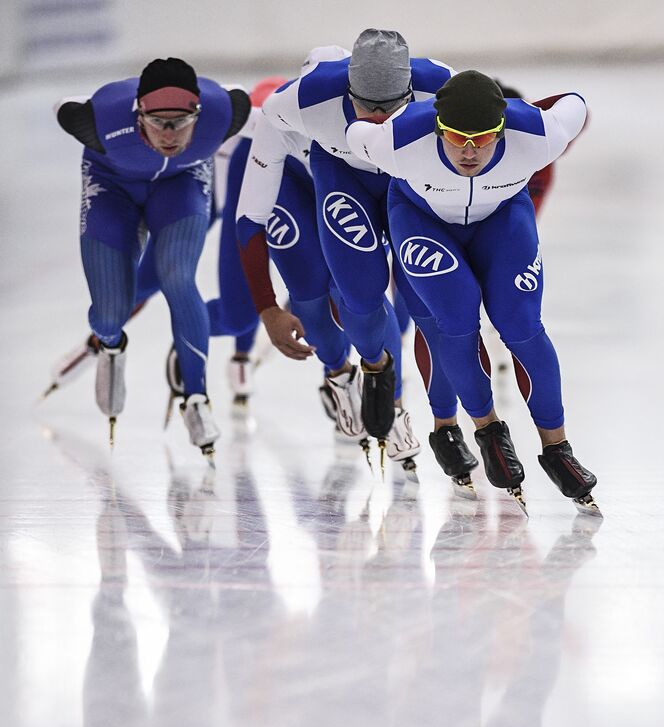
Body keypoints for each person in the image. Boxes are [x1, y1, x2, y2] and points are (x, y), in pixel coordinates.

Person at [347, 70, 599, 514]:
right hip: (421, 220)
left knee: (522, 325)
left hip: (501, 220)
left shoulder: (538, 134)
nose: (468, 150)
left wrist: (529, 108)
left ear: (501, 128)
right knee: (456, 322)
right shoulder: (398, 140)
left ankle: (557, 449)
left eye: (482, 138)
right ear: (437, 126)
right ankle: (487, 431)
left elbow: (575, 101)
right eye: (455, 137)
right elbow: (355, 130)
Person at [262, 29, 468, 470]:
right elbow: (255, 174)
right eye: (363, 105)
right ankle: (344, 377)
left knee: (406, 299)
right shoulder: (298, 104)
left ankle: (404, 405)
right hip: (316, 182)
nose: (374, 116)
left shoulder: (435, 87)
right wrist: (264, 303)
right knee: (328, 292)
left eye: (388, 105)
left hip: (384, 182)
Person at [236, 45, 420, 474]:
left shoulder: (377, 110)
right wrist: (266, 308)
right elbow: (248, 221)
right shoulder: (280, 113)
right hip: (293, 185)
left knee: (358, 288)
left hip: (342, 181)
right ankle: (339, 376)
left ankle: (387, 396)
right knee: (308, 288)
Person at [55, 57, 251, 457]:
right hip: (111, 186)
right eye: (157, 121)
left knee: (178, 277)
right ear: (137, 112)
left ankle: (196, 400)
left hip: (182, 185)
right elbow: (63, 106)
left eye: (181, 121)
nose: (169, 134)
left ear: (199, 112)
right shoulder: (98, 119)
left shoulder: (225, 111)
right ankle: (110, 346)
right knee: (110, 313)